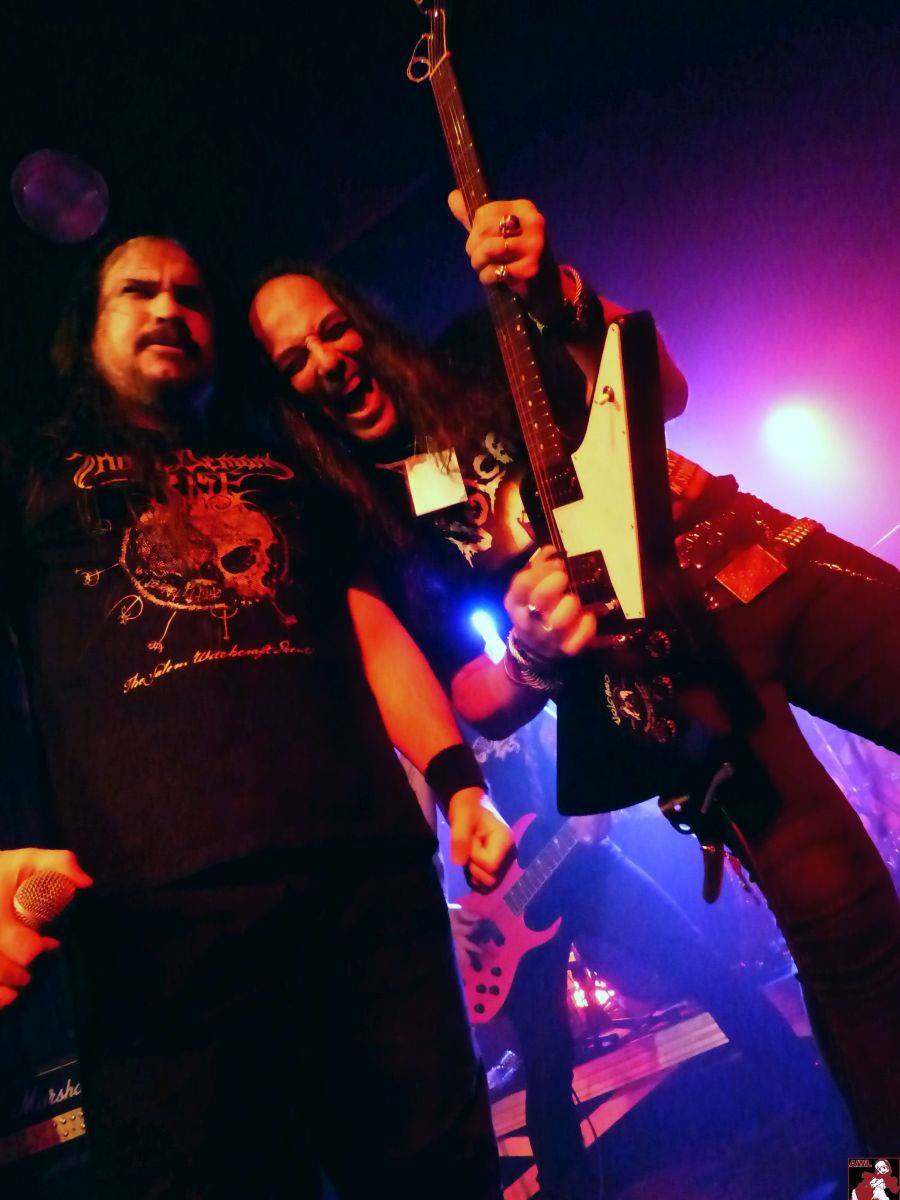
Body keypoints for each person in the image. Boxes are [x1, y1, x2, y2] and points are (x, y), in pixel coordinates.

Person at [247, 190, 900, 1160]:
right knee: (848, 933)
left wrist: (558, 292)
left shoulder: (482, 350)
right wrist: (530, 656)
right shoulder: (372, 526)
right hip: (669, 678)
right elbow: (471, 699)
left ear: (365, 323)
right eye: (293, 360)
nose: (326, 361)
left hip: (753, 557)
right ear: (289, 398)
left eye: (331, 329)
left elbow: (664, 390)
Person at [0, 233, 513, 1199]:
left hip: (367, 888)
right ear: (88, 327)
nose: (169, 309)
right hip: (157, 925)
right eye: (138, 291)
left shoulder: (285, 463)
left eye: (191, 295)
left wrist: (458, 784)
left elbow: (368, 625)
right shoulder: (33, 472)